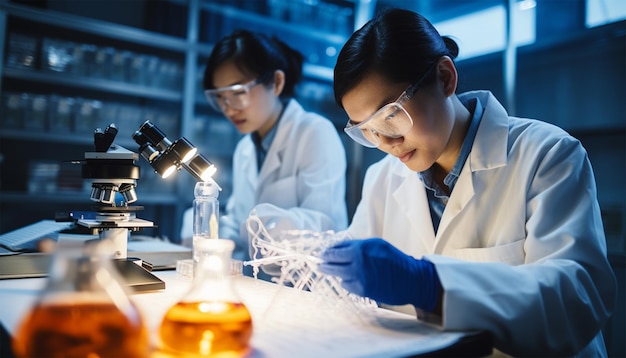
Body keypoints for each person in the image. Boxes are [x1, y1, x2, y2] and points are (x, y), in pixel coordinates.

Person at [317, 8, 617, 357]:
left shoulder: (547, 155)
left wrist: (431, 285)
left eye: (391, 116)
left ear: (445, 78)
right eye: (366, 130)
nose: (385, 142)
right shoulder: (382, 178)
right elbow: (351, 288)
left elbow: (574, 301)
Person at [181, 30, 348, 271]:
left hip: (309, 282)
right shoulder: (245, 149)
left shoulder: (314, 132)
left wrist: (271, 225)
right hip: (261, 283)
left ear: (277, 83)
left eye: (238, 93)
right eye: (220, 97)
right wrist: (205, 224)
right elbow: (241, 223)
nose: (229, 109)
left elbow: (325, 225)